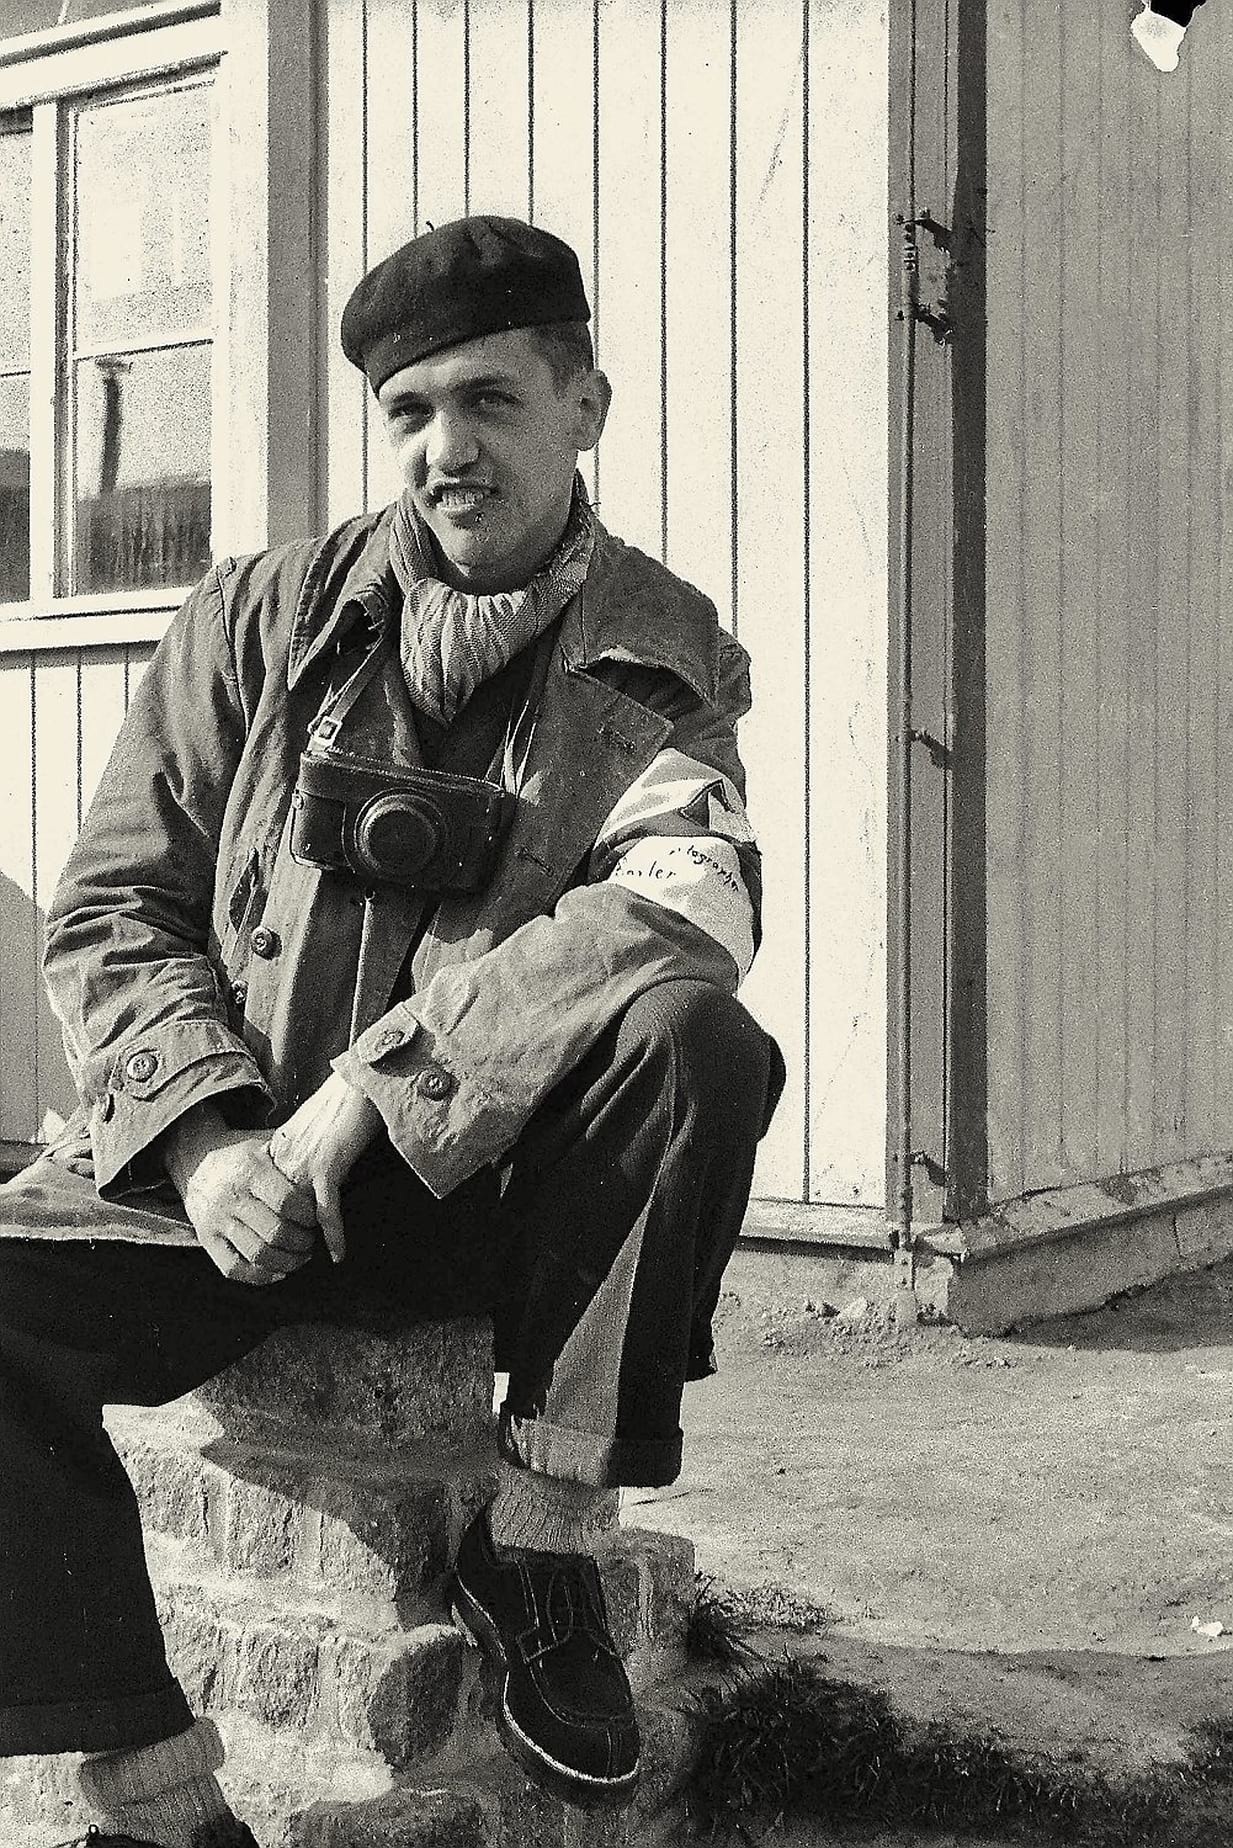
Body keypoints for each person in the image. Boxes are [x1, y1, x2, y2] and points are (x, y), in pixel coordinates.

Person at [0, 214, 783, 1848]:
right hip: (229, 1190)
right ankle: (155, 1795)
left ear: (584, 406)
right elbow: (113, 906)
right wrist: (208, 1145)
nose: (447, 450)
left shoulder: (659, 650)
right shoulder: (255, 616)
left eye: (491, 401)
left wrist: (377, 1092)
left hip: (482, 1199)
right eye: (411, 411)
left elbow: (681, 904)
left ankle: (541, 1545)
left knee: (699, 1042)